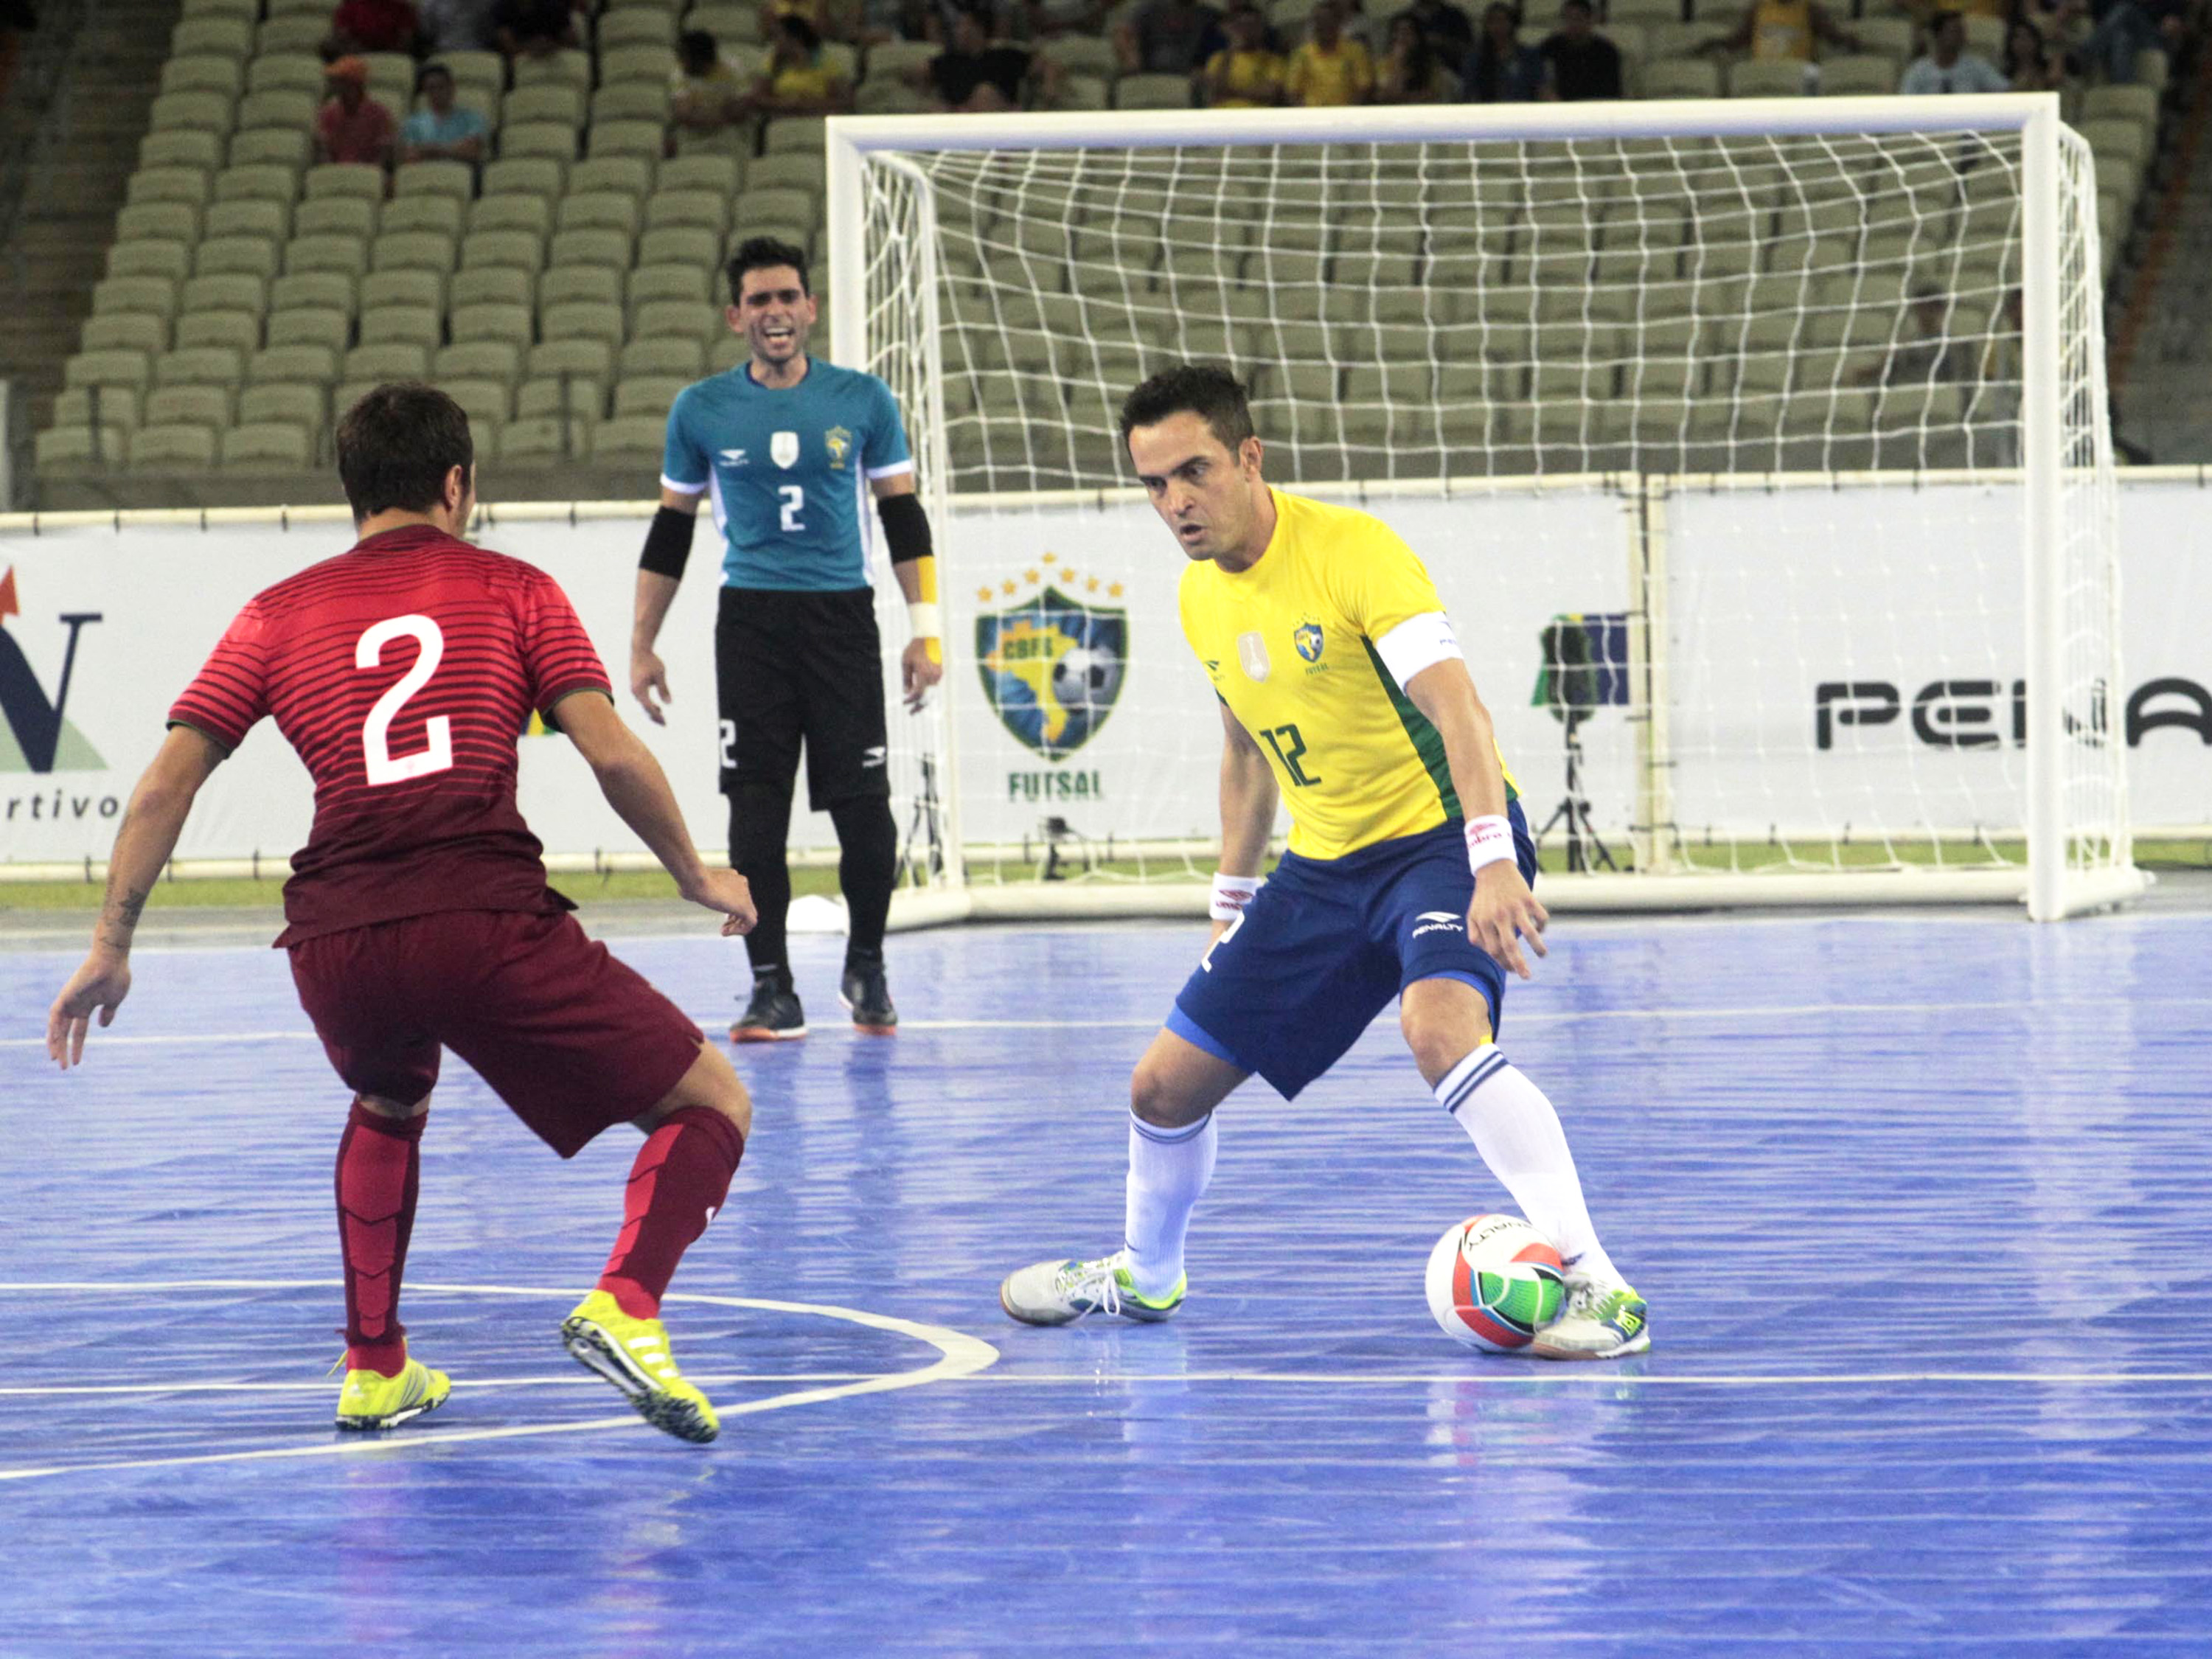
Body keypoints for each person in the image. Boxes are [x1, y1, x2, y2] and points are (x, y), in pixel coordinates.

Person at [43, 383, 760, 1444]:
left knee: (387, 1093)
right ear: (458, 484)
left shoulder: (275, 612)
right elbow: (610, 750)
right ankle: (629, 1304)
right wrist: (697, 872)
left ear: (350, 493)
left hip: (334, 940)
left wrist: (110, 945)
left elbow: (162, 785)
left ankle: (376, 1366)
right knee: (713, 1103)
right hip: (478, 916)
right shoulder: (515, 587)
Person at [998, 365, 1649, 1362]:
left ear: (1249, 457)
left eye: (1194, 472)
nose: (1176, 503)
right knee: (1161, 1091)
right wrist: (1229, 900)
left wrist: (1489, 861)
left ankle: (1600, 1286)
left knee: (1437, 1026)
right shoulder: (1198, 598)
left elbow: (1460, 709)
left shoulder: (1355, 553)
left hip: (1439, 841)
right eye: (1154, 485)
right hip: (1325, 872)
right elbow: (1247, 754)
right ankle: (1145, 1273)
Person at [632, 237, 945, 1043]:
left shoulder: (863, 399)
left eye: (788, 298)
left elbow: (903, 518)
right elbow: (672, 532)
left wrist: (926, 631)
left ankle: (867, 964)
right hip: (752, 625)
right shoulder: (700, 409)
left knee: (866, 811)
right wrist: (642, 643)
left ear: (810, 308)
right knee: (755, 812)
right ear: (737, 316)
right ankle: (772, 989)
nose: (775, 313)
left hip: (842, 618)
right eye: (759, 301)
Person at [921, 9, 1055, 111]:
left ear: (977, 28)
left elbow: (1045, 65)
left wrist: (1049, 88)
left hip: (1001, 116)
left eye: (961, 25)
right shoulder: (948, 60)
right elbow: (915, 73)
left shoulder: (1004, 55)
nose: (956, 31)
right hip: (961, 121)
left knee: (984, 93)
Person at [740, 15, 853, 116]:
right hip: (780, 117)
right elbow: (757, 97)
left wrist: (806, 104)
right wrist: (784, 103)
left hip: (816, 117)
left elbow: (844, 101)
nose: (774, 42)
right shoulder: (773, 62)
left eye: (778, 36)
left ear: (794, 38)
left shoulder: (826, 63)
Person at [1700, 0, 1860, 62]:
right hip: (1763, 71)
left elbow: (1833, 37)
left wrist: (1855, 42)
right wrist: (1713, 44)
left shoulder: (1810, 9)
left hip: (1798, 73)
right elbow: (1738, 40)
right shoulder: (1759, 9)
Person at [1284, 0, 1376, 105]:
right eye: (1320, 22)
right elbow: (1292, 92)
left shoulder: (1356, 52)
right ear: (1314, 26)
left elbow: (1365, 87)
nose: (1325, 26)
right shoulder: (1301, 55)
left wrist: (1350, 114)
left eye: (1329, 21)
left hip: (1346, 115)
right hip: (1312, 115)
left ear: (1338, 23)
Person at [315, 57, 397, 170]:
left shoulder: (379, 114)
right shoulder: (328, 113)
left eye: (339, 81)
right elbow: (324, 152)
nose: (333, 85)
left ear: (353, 84)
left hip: (369, 176)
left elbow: (383, 155)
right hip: (336, 174)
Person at [1898, 10, 2008, 91]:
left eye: (1962, 31)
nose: (1961, 36)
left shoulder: (1976, 67)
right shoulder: (1918, 71)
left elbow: (2004, 89)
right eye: (1955, 31)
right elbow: (1905, 102)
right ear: (1938, 36)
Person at [1199, 4, 1287, 106]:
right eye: (1242, 25)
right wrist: (1230, 53)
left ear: (1261, 29)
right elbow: (1215, 91)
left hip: (1255, 117)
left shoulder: (1274, 61)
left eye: (1252, 25)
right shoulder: (1218, 58)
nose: (1247, 30)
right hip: (1221, 116)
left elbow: (1271, 93)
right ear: (1234, 29)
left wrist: (1231, 92)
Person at [400, 62, 487, 166]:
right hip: (425, 174)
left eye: (441, 87)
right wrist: (453, 149)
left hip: (461, 175)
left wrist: (431, 150)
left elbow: (471, 151)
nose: (436, 93)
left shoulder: (472, 118)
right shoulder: (413, 123)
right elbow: (410, 156)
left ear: (452, 88)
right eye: (431, 88)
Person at [669, 29, 748, 139]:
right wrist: (721, 117)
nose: (680, 61)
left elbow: (740, 110)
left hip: (728, 133)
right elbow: (684, 115)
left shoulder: (733, 68)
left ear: (699, 59)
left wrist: (701, 116)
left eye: (684, 56)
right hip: (693, 135)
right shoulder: (679, 73)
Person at [1461, 1, 1548, 100]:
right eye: (1492, 22)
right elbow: (1471, 94)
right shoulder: (1475, 60)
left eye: (1502, 21)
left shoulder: (1528, 56)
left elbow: (1542, 89)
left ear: (1511, 24)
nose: (1497, 27)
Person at [1116, 0, 1225, 75]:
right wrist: (1131, 58)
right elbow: (1124, 31)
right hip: (1150, 74)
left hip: (1190, 79)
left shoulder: (1208, 14)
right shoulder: (1150, 9)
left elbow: (1231, 29)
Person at [1540, 0, 1620, 99]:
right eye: (1568, 19)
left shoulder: (1606, 52)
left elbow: (1611, 91)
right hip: (1559, 108)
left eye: (1578, 19)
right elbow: (1543, 83)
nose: (1573, 24)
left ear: (1590, 20)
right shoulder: (1550, 48)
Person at [1377, 12, 1454, 99]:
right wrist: (1398, 63)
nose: (1401, 37)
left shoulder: (1431, 64)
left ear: (1418, 38)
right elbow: (1383, 96)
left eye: (1407, 32)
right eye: (1397, 31)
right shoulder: (1382, 64)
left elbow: (1431, 95)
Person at [1394, 0, 1474, 74]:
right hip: (1411, 78)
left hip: (1452, 78)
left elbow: (1470, 52)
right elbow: (1391, 54)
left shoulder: (1456, 17)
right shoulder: (1402, 20)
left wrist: (1443, 42)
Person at [330, 0, 418, 52]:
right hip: (354, 53)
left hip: (392, 55)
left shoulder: (402, 8)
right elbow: (342, 34)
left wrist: (387, 52)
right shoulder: (351, 5)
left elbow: (406, 39)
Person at [2002, 16, 2065, 88]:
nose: (2023, 42)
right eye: (2018, 37)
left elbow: (2054, 80)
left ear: (2036, 41)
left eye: (2027, 36)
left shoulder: (2048, 67)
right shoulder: (2006, 74)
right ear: (2010, 43)